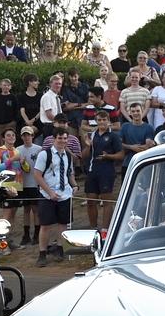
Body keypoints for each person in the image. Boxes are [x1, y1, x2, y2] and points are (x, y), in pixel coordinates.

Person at [32, 127, 76, 267]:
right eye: (60, 138)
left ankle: (60, 249)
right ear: (54, 139)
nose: (62, 141)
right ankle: (42, 253)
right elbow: (37, 175)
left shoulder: (68, 155)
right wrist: (50, 192)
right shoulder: (45, 154)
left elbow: (69, 173)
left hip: (65, 194)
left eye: (64, 138)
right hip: (47, 195)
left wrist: (74, 185)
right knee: (45, 225)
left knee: (63, 224)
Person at [82, 109, 123, 233]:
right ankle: (93, 229)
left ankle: (105, 230)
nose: (102, 122)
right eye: (99, 120)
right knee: (91, 200)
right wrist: (88, 145)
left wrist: (108, 156)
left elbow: (121, 155)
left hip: (107, 171)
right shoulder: (92, 135)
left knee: (106, 201)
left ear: (109, 121)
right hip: (92, 170)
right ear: (96, 121)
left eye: (104, 119)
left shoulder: (113, 136)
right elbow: (83, 156)